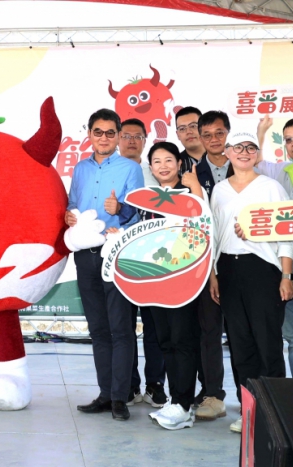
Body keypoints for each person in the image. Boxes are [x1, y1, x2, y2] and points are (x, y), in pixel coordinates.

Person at [210, 129, 293, 433]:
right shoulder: (219, 190)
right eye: (238, 147)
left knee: (267, 343)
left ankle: (276, 412)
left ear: (257, 154)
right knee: (240, 344)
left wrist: (286, 275)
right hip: (228, 270)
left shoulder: (271, 187)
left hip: (264, 269)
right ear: (227, 153)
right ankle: (249, 410)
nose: (244, 152)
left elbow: (288, 231)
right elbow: (214, 234)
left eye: (250, 148)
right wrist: (213, 275)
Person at [67, 108, 144, 421]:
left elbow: (140, 213)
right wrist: (68, 215)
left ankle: (121, 397)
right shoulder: (80, 168)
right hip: (85, 253)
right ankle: (104, 393)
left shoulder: (130, 168)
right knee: (98, 329)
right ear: (89, 134)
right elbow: (72, 203)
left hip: (117, 253)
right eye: (97, 132)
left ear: (119, 136)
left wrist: (120, 208)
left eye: (110, 133)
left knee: (120, 328)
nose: (103, 138)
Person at [133, 142, 206, 430]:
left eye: (168, 160)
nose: (163, 166)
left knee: (183, 341)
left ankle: (184, 403)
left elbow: (204, 225)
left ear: (179, 163)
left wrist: (196, 187)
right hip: (153, 282)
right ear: (150, 167)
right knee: (164, 340)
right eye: (157, 161)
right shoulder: (148, 198)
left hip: (184, 281)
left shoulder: (191, 193)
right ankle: (175, 401)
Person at [254, 116, 293, 379]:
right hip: (288, 268)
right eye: (288, 139)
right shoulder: (283, 171)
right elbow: (255, 161)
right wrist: (261, 131)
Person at [117, 118, 167, 407]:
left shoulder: (155, 172)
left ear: (146, 139)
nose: (131, 140)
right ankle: (130, 385)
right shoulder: (111, 172)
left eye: (138, 136)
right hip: (120, 259)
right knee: (123, 326)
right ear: (118, 139)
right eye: (126, 135)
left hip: (153, 261)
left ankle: (155, 384)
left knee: (154, 325)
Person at [193, 110, 236, 422]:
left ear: (228, 133)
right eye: (206, 135)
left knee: (242, 333)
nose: (213, 140)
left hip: (243, 261)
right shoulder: (191, 174)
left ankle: (253, 393)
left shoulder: (246, 166)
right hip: (206, 264)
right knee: (209, 332)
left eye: (219, 133)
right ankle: (213, 395)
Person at [119, 118, 158, 187]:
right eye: (126, 136)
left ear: (144, 142)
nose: (132, 141)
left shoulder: (155, 172)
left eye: (137, 137)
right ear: (117, 140)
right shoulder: (106, 171)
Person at [174, 106, 205, 174]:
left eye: (193, 126)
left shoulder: (224, 156)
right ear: (178, 135)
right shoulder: (175, 166)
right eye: (182, 129)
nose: (188, 132)